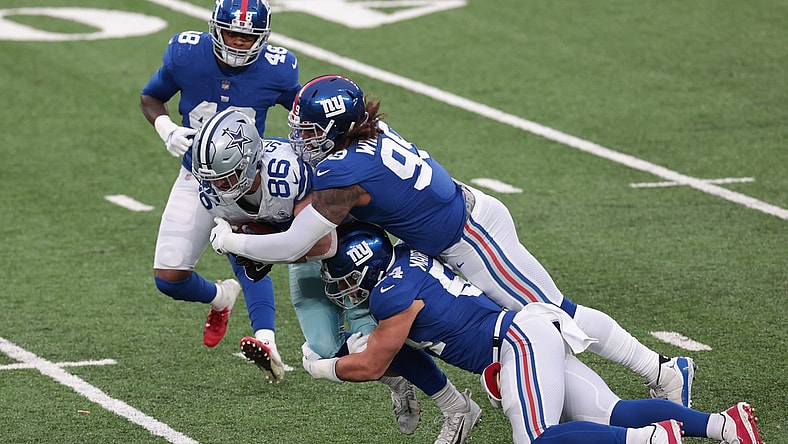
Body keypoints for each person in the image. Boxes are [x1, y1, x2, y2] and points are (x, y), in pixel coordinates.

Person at [208, 74, 697, 406]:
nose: (300, 139)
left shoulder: (345, 169)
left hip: (473, 236)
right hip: (451, 233)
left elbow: (296, 245)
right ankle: (532, 380)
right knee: (529, 320)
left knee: (556, 312)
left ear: (337, 130)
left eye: (310, 131)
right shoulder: (360, 139)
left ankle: (664, 371)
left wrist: (235, 242)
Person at [303, 222, 764, 444]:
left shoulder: (389, 296)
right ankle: (726, 426)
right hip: (527, 333)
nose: (345, 291)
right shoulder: (405, 260)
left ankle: (655, 439)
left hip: (517, 343)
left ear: (365, 270)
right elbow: (396, 351)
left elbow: (374, 363)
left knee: (541, 440)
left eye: (344, 280)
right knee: (610, 412)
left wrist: (322, 366)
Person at [191, 109, 482, 441]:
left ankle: (455, 406)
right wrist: (250, 246)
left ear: (251, 161)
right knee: (323, 347)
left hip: (351, 246)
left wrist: (247, 244)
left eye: (226, 177)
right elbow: (257, 241)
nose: (218, 186)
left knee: (375, 337)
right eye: (212, 178)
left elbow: (322, 244)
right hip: (300, 257)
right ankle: (396, 380)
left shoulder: (286, 174)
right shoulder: (215, 196)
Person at [139, 0, 300, 351]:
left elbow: (302, 113)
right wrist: (166, 128)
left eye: (248, 37)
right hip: (195, 175)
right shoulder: (187, 54)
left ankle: (265, 339)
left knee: (249, 256)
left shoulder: (279, 69)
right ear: (215, 28)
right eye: (232, 34)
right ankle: (221, 297)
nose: (239, 43)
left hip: (246, 180)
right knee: (169, 278)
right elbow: (151, 96)